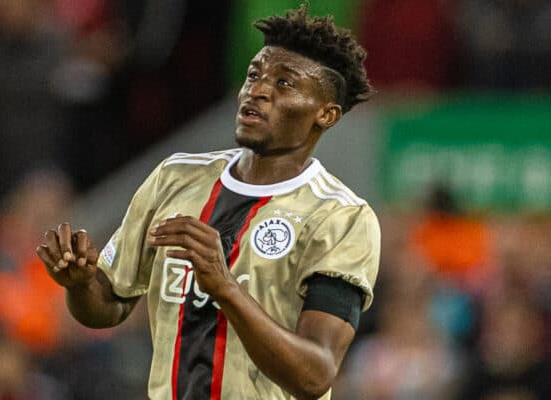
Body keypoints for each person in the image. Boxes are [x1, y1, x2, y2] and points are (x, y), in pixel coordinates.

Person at [37, 5, 380, 400]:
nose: (258, 90)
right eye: (254, 75)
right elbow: (109, 307)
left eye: (284, 84)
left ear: (326, 114)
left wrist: (225, 287)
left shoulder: (341, 217)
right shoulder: (176, 178)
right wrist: (81, 285)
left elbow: (315, 375)